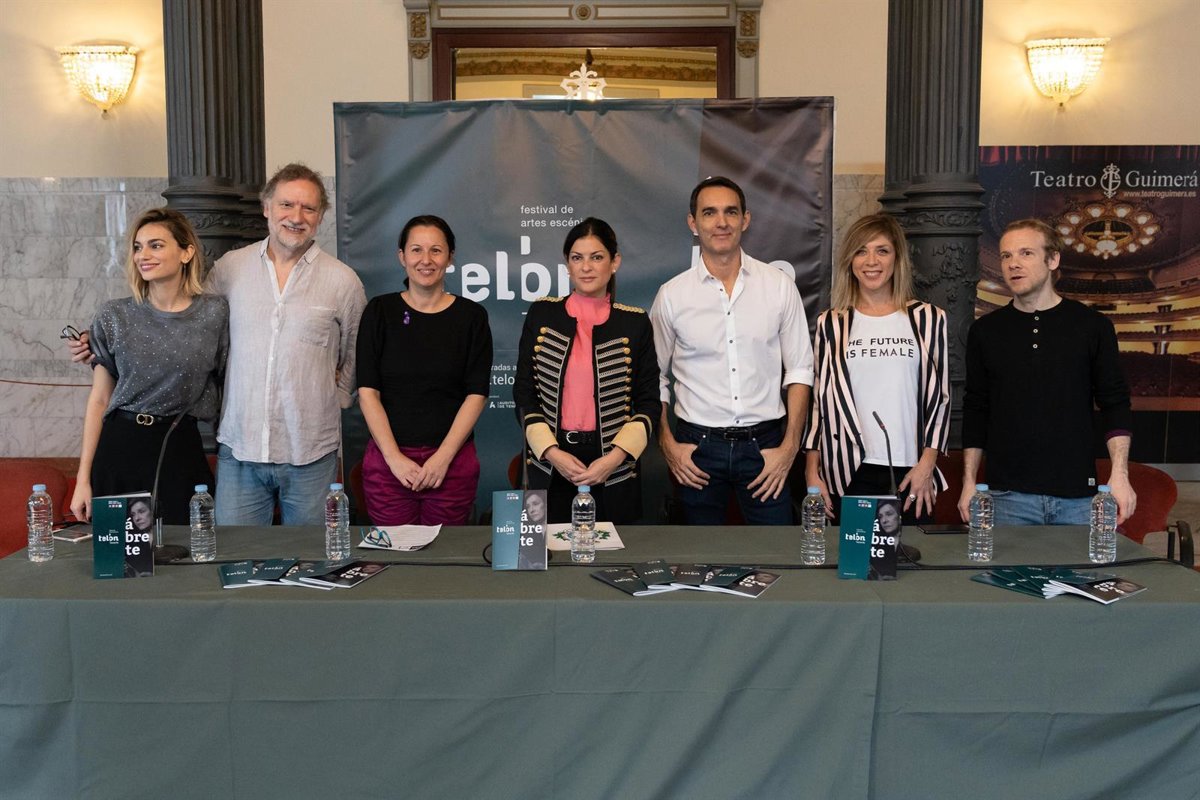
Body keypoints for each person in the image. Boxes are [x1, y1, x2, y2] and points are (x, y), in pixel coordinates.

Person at [71, 164, 367, 526]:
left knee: (310, 555)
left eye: (309, 208)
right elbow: (186, 319)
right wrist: (99, 343)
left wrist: (332, 398)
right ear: (266, 208)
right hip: (239, 451)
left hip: (311, 451)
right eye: (287, 205)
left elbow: (355, 352)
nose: (296, 216)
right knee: (231, 554)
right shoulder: (231, 268)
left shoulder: (342, 281)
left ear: (320, 216)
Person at [650, 177, 813, 525]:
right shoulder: (672, 295)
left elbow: (800, 370)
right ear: (693, 223)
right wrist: (668, 445)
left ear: (745, 219)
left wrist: (789, 449)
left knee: (777, 552)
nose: (721, 222)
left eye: (731, 212)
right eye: (709, 213)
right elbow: (654, 377)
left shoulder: (778, 286)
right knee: (697, 554)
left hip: (766, 446)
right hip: (696, 450)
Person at [959, 218, 1137, 526]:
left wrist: (1120, 475)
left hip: (1079, 497)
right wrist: (969, 482)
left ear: (1053, 259)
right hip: (1006, 496)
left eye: (1026, 253)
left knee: (1083, 564)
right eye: (1006, 255)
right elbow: (976, 408)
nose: (1013, 264)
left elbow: (1115, 403)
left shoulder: (1093, 326)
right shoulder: (985, 331)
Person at [68, 208, 229, 526]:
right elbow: (100, 399)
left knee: (190, 546)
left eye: (156, 245)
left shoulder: (214, 313)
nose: (143, 255)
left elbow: (228, 380)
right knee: (120, 554)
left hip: (179, 445)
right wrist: (82, 479)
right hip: (121, 444)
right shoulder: (114, 315)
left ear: (186, 253)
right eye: (138, 247)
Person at [803, 213, 950, 526]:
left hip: (911, 471)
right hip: (847, 471)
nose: (871, 261)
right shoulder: (832, 323)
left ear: (897, 258)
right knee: (851, 556)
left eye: (882, 250)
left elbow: (940, 399)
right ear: (850, 261)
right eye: (861, 251)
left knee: (913, 555)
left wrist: (927, 464)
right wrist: (812, 472)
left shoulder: (928, 318)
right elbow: (819, 404)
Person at [514, 217, 659, 523]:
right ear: (567, 264)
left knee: (613, 549)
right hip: (549, 462)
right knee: (545, 550)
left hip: (613, 466)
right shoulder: (542, 313)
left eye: (597, 257)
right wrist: (552, 452)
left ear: (614, 262)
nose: (586, 267)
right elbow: (524, 394)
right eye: (577, 258)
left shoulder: (635, 322)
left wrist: (614, 459)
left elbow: (648, 403)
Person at [356, 215, 492, 525]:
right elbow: (367, 392)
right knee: (395, 552)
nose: (426, 260)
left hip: (451, 464)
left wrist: (442, 459)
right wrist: (394, 459)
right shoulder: (379, 312)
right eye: (416, 250)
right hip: (389, 465)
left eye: (436, 250)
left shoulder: (472, 317)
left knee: (447, 552)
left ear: (450, 257)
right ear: (402, 256)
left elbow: (476, 394)